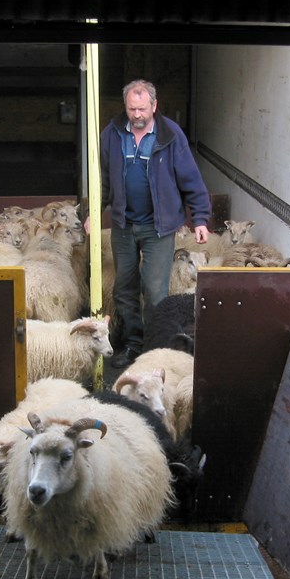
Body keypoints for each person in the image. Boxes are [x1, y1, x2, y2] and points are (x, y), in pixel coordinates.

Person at [88, 79, 212, 369]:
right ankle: (132, 344)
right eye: (132, 108)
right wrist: (96, 211)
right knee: (124, 289)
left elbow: (190, 178)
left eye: (142, 108)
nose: (137, 114)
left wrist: (201, 218)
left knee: (155, 292)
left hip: (159, 226)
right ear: (125, 106)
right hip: (123, 224)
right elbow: (103, 178)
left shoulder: (170, 135)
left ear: (154, 106)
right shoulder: (112, 134)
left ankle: (153, 349)